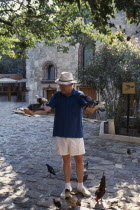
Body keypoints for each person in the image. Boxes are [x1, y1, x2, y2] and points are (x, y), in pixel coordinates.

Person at [24, 72, 91, 198]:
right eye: (60, 85)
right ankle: (67, 186)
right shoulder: (57, 95)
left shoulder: (79, 96)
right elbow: (48, 108)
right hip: (61, 132)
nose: (61, 87)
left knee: (79, 160)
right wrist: (33, 113)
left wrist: (94, 106)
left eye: (64, 85)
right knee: (65, 161)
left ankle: (80, 185)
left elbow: (89, 110)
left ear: (71, 84)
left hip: (76, 133)